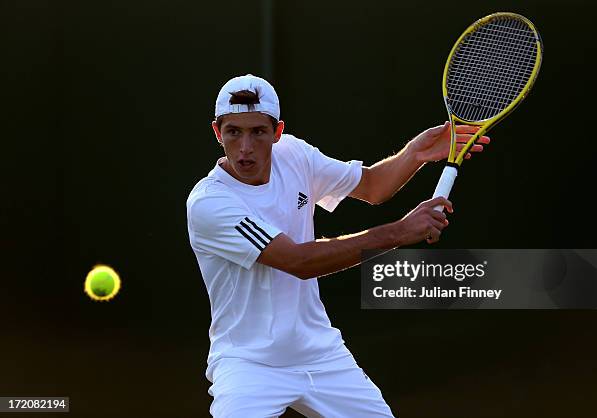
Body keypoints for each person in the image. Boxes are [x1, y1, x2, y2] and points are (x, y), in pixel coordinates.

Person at [187, 74, 489, 417]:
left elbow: (373, 185)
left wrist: (416, 153)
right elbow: (299, 262)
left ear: (278, 132)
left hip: (320, 354)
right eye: (233, 132)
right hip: (248, 365)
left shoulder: (295, 155)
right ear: (217, 132)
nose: (245, 147)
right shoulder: (210, 203)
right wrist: (399, 232)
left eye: (258, 131)